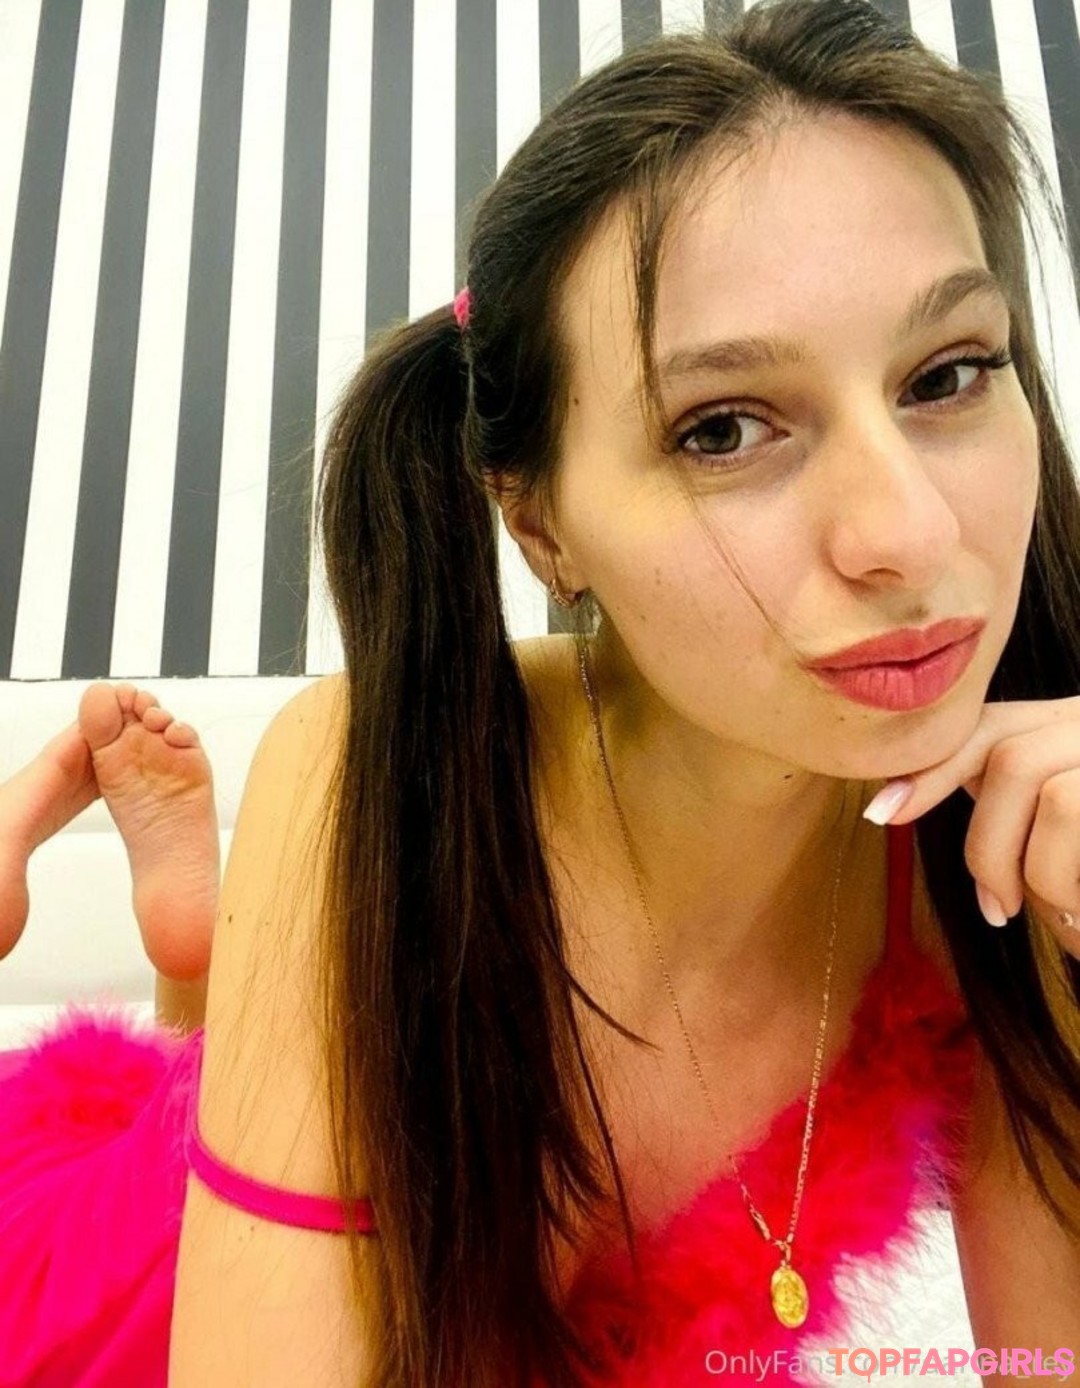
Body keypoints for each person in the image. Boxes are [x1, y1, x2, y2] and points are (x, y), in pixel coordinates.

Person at [1, 0, 1079, 1383]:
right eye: (724, 429)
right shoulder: (375, 771)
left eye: (949, 374)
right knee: (194, 1150)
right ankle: (206, 996)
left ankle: (201, 986)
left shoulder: (1007, 846)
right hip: (134, 1294)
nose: (912, 534)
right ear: (540, 524)